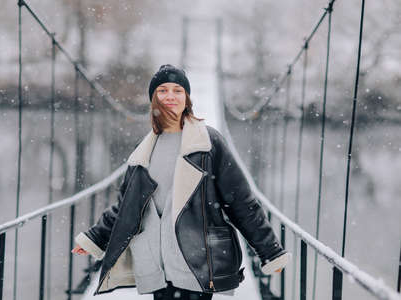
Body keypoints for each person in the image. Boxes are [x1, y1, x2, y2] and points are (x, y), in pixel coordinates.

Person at [72, 64, 290, 299]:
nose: (170, 96)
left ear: (187, 98)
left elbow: (241, 202)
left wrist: (270, 251)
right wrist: (95, 238)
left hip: (196, 261)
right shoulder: (143, 151)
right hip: (157, 263)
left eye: (177, 90)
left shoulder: (208, 143)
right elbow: (126, 206)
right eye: (162, 90)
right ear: (153, 98)